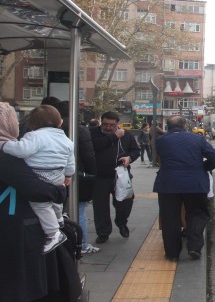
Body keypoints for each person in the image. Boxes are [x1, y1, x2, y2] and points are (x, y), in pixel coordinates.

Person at [0, 102, 79, 302]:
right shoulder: (5, 154)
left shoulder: (18, 147)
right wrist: (60, 191)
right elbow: (37, 190)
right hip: (14, 230)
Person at [1, 105, 75, 253]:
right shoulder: (67, 140)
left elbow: (22, 150)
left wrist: (5, 145)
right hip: (57, 176)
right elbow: (70, 163)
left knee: (42, 205)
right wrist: (67, 176)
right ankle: (57, 224)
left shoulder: (33, 137)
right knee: (52, 201)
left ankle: (54, 230)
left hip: (40, 177)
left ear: (32, 124)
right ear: (60, 122)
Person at [154, 115, 215, 261]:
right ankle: (194, 247)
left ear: (168, 127)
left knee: (170, 218)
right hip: (195, 184)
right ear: (185, 125)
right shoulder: (197, 139)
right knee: (197, 214)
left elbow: (159, 160)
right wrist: (204, 168)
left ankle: (172, 253)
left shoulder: (160, 141)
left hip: (168, 185)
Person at [89, 111, 140, 244]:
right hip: (100, 176)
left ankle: (121, 222)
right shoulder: (93, 133)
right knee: (100, 207)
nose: (108, 127)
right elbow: (94, 147)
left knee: (126, 202)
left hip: (121, 176)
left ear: (117, 124)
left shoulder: (126, 135)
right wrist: (113, 137)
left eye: (111, 125)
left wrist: (130, 157)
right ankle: (103, 232)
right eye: (105, 124)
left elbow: (135, 150)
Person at [56, 101, 99, 254]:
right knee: (79, 210)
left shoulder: (49, 130)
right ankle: (82, 244)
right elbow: (88, 155)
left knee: (56, 209)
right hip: (76, 174)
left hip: (52, 176)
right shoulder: (80, 129)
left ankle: (58, 242)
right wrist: (93, 173)